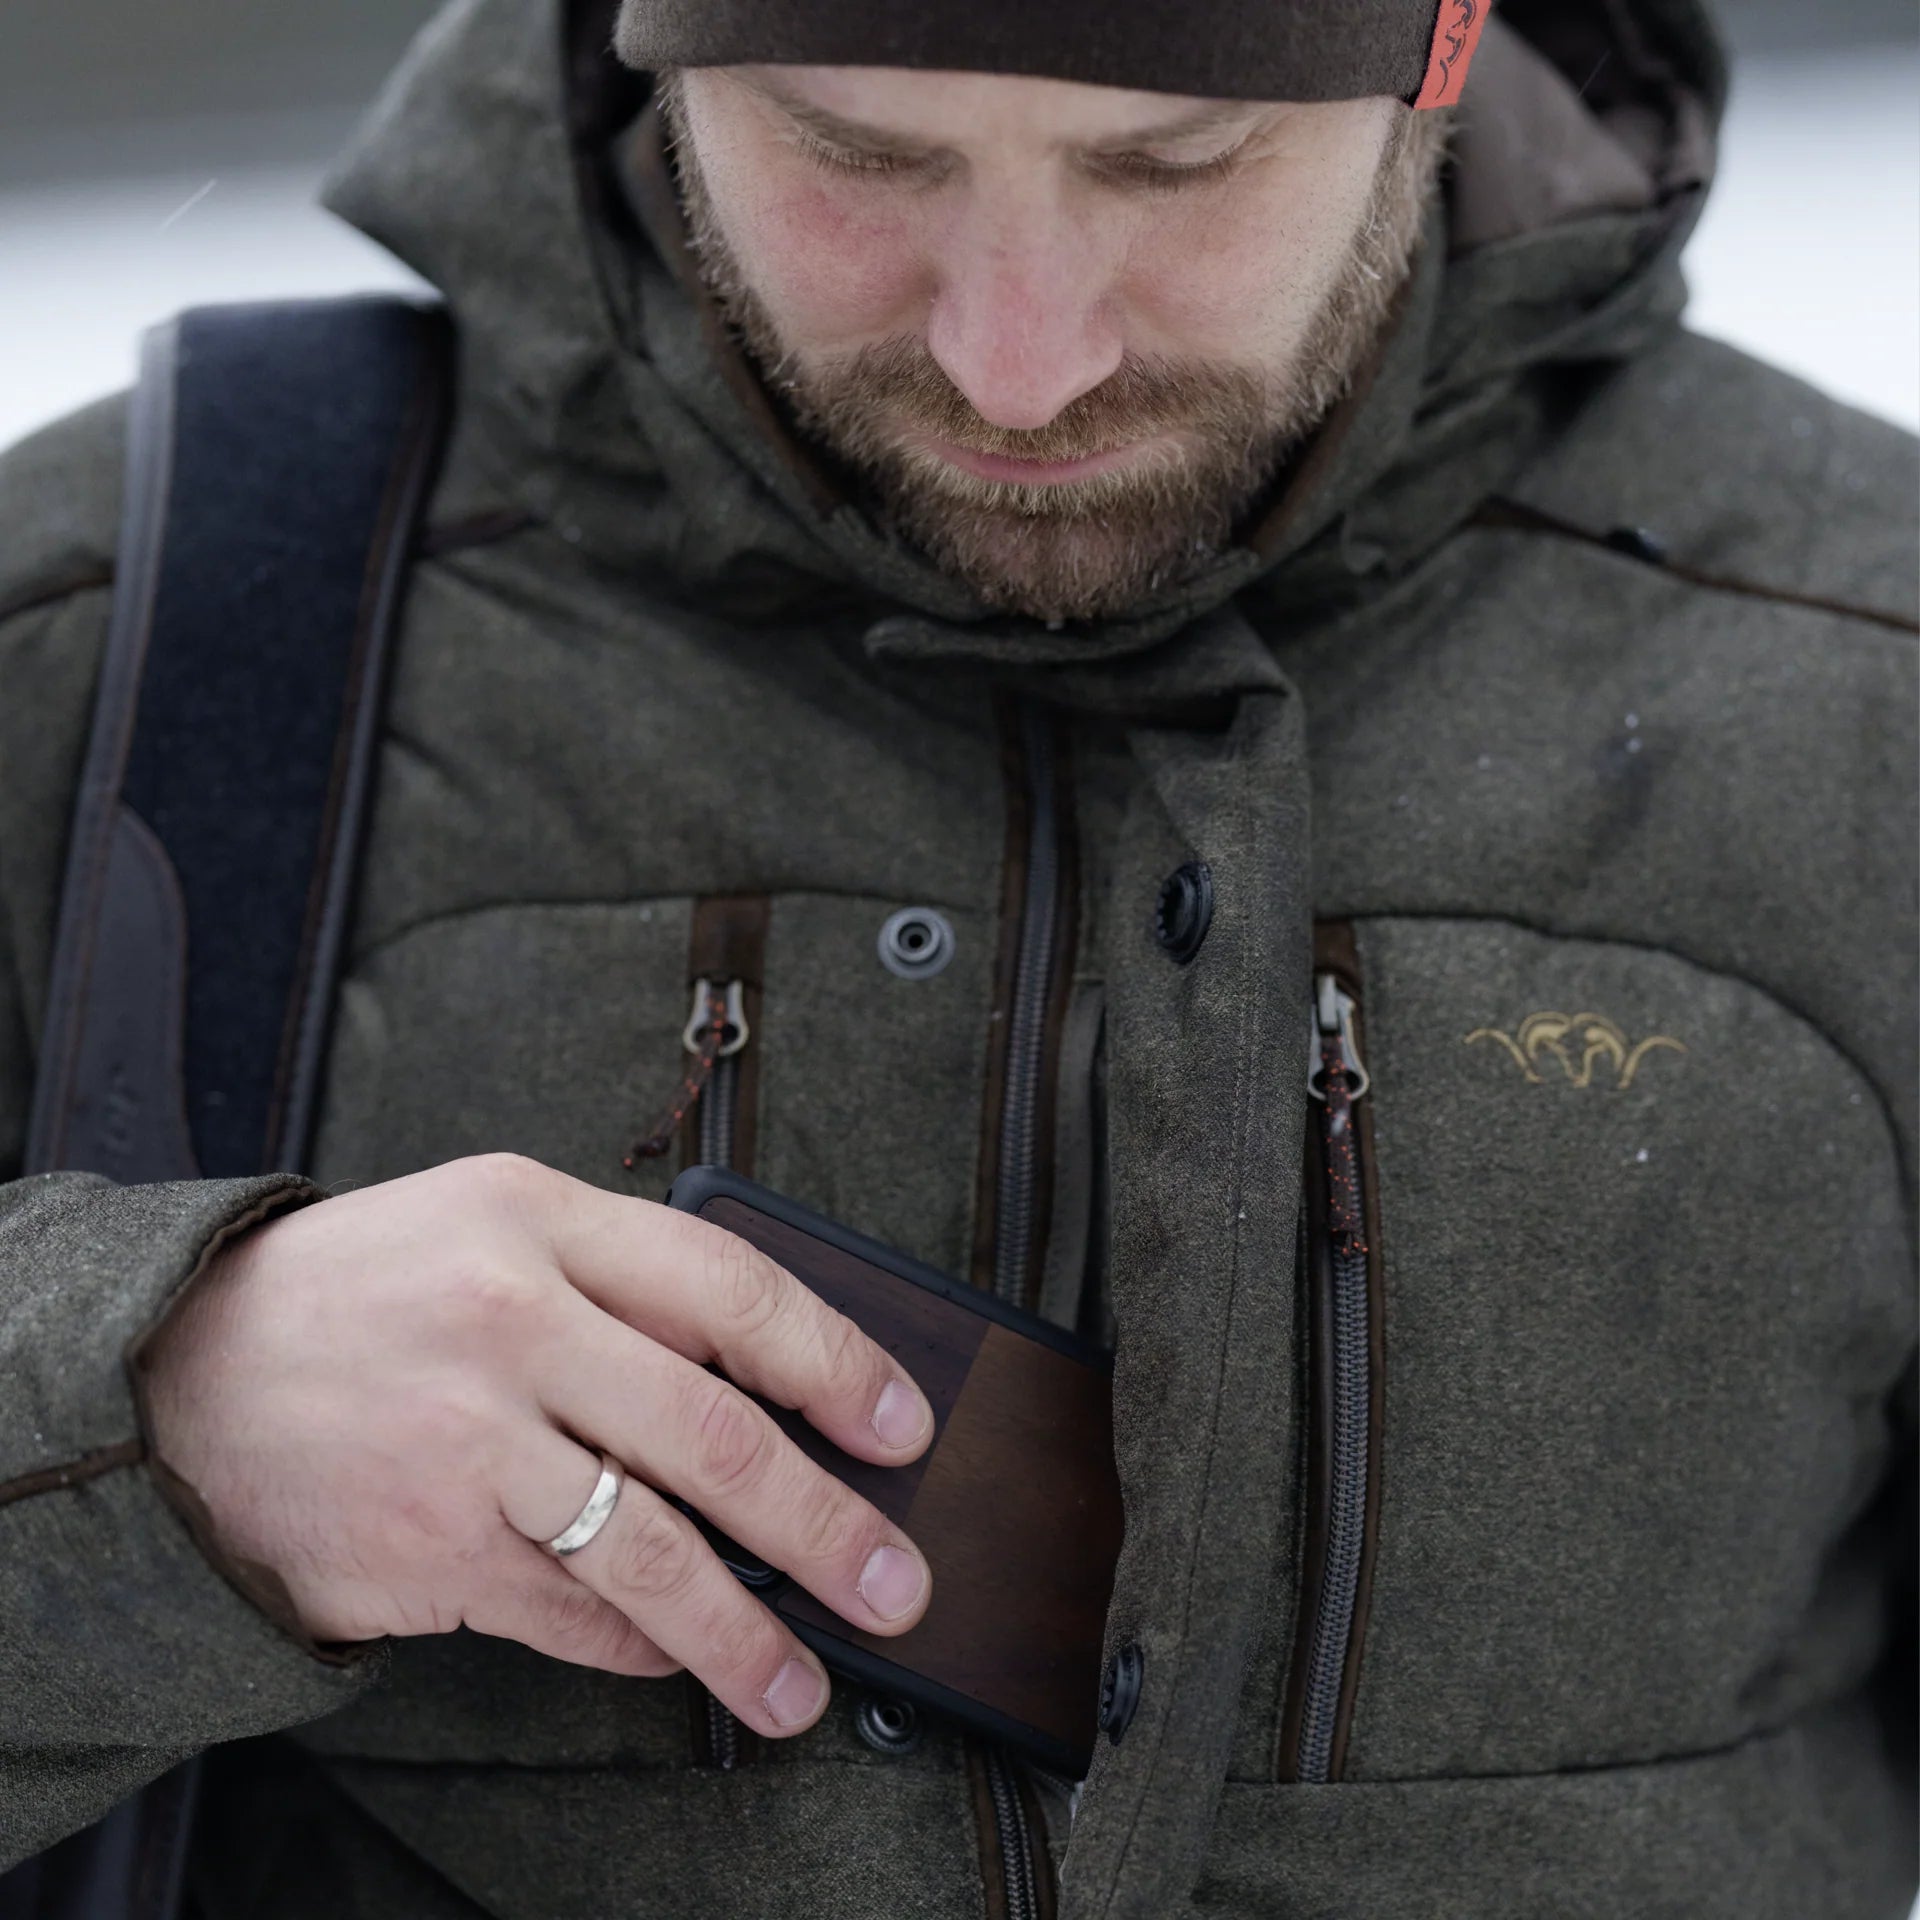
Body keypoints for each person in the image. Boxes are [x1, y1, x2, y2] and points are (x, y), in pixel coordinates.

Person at [1, 0, 1914, 1914]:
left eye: (1175, 164)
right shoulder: (119, 633)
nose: (1017, 364)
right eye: (855, 149)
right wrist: (146, 1421)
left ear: (1440, 56)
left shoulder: (1867, 682)